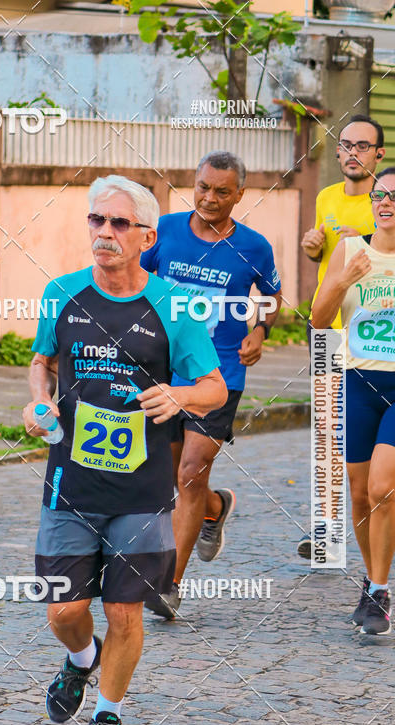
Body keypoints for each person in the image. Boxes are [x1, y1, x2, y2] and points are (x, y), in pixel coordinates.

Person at [23, 175, 226, 725]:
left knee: (124, 611)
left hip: (141, 487)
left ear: (146, 235)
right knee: (64, 609)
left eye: (117, 223)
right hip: (72, 482)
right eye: (96, 221)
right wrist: (39, 400)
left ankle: (106, 719)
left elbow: (214, 387)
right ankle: (81, 660)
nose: (104, 233)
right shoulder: (61, 293)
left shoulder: (173, 307)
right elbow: (42, 362)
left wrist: (182, 397)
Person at [141, 151, 282, 618]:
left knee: (190, 473)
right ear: (193, 184)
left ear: (240, 194)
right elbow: (135, 279)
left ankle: (169, 585)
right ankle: (216, 507)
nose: (210, 198)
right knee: (171, 476)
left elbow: (273, 297)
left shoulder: (255, 247)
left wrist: (260, 329)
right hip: (165, 367)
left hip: (219, 371)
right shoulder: (165, 231)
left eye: (222, 191)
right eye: (203, 187)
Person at [311, 166, 395, 635]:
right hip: (358, 381)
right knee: (358, 494)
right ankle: (372, 585)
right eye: (379, 194)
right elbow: (318, 319)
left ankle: (379, 587)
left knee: (380, 486)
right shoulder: (351, 250)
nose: (385, 201)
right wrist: (341, 280)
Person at [298, 114, 395, 559]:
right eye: (346, 145)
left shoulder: (391, 201)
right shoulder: (326, 195)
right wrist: (313, 249)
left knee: (363, 443)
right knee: (327, 434)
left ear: (379, 154)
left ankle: (381, 493)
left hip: (380, 340)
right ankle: (326, 531)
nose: (353, 153)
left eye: (363, 146)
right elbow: (322, 260)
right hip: (329, 329)